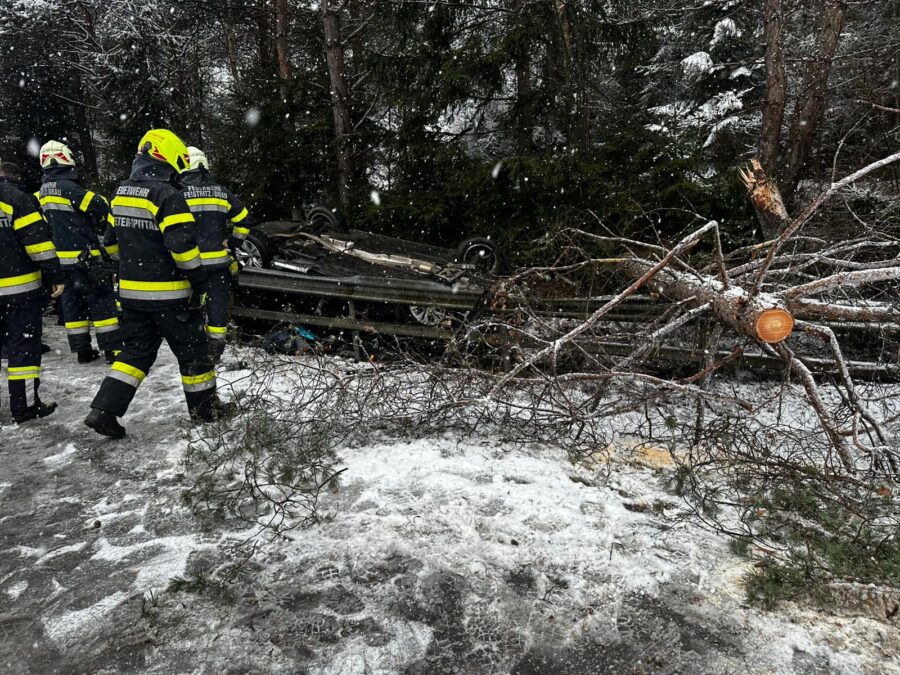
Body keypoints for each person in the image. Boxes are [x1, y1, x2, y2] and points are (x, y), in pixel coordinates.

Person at [85, 129, 233, 439]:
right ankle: (206, 411)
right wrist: (199, 280)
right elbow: (182, 248)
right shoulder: (168, 195)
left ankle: (103, 411)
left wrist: (134, 260)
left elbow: (111, 245)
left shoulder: (121, 192)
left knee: (135, 354)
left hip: (132, 297)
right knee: (194, 354)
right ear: (167, 158)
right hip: (171, 298)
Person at [36, 140, 123, 364]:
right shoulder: (69, 188)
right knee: (102, 302)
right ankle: (112, 350)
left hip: (61, 263)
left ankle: (82, 351)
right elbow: (100, 206)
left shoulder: (41, 193)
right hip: (86, 260)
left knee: (72, 305)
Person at [0, 161, 65, 423]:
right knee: (23, 348)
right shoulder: (16, 199)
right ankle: (24, 406)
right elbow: (38, 244)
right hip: (19, 290)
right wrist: (54, 276)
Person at [180, 146, 252, 361]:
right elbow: (244, 220)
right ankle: (215, 349)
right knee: (217, 305)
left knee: (190, 304)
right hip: (218, 264)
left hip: (189, 264)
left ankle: (193, 346)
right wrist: (233, 241)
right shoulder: (222, 192)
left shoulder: (176, 193)